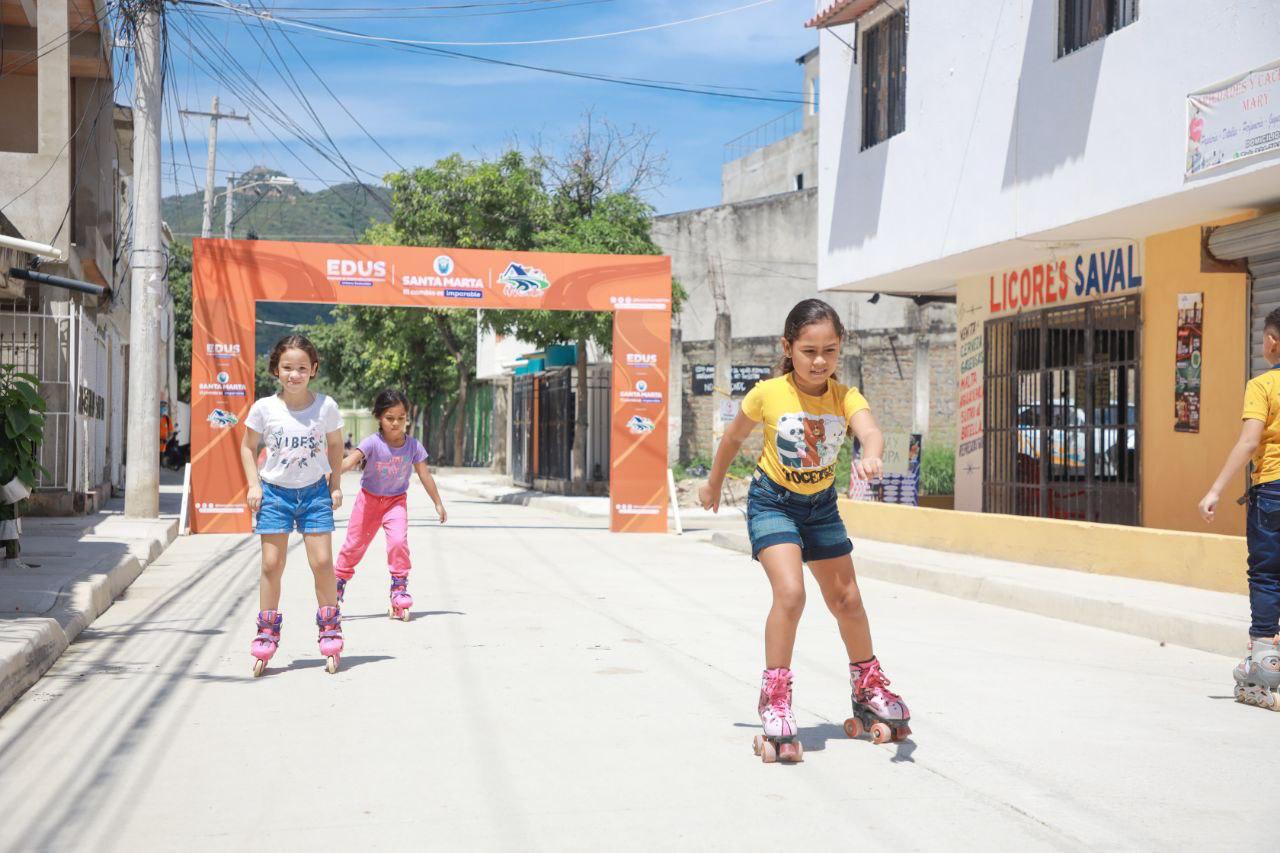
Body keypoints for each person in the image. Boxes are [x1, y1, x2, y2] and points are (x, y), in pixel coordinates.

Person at [698, 298, 911, 763]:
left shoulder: (845, 396)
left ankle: (867, 688)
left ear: (840, 350)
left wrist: (871, 452)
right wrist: (714, 482)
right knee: (791, 594)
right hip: (773, 502)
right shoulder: (768, 393)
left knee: (848, 600)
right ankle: (775, 698)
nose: (819, 361)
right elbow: (733, 438)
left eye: (829, 351)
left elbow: (869, 431)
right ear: (788, 347)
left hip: (821, 508)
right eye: (809, 350)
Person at [239, 335, 346, 677]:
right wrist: (254, 484)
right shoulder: (264, 409)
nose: (295, 374)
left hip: (314, 494)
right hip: (275, 494)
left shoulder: (326, 407)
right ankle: (267, 633)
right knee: (272, 564)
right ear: (276, 370)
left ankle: (330, 627)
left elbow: (334, 445)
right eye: (287, 368)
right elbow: (247, 447)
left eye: (302, 368)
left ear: (313, 370)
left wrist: (335, 485)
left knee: (323, 562)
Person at [1198, 306, 1280, 711]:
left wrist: (1214, 489)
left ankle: (1265, 665)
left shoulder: (1262, 385)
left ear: (1272, 341)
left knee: (1266, 575)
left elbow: (1250, 442)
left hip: (1273, 491)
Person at [334, 389, 446, 621]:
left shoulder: (413, 446)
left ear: (407, 418)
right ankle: (335, 590)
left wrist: (438, 503)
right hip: (369, 502)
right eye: (390, 418)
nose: (396, 423)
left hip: (396, 502)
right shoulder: (372, 443)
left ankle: (399, 589)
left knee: (398, 542)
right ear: (379, 418)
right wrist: (329, 475)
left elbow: (425, 475)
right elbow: (349, 462)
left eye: (401, 418)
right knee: (354, 547)